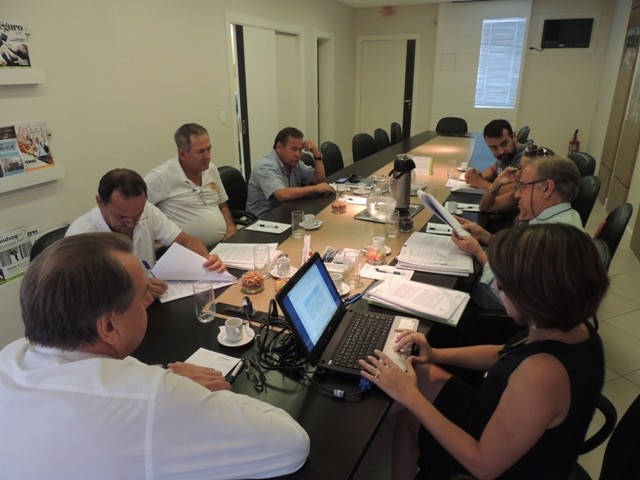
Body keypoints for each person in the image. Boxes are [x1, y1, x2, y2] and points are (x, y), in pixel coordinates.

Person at [0, 233, 310, 480]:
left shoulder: (11, 356)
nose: (150, 299)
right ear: (109, 326)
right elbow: (291, 445)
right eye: (143, 297)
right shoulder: (153, 397)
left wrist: (165, 373)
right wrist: (192, 390)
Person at [360, 224, 608, 480]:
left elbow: (484, 465)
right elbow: (504, 353)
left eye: (505, 284)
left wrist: (411, 396)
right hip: (502, 416)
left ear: (533, 295)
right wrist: (434, 354)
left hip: (498, 462)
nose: (497, 287)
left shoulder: (541, 374)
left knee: (410, 414)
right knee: (417, 372)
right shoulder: (568, 327)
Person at [66, 168, 226, 302]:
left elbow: (186, 241)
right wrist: (136, 291)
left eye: (137, 215)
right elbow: (84, 298)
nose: (130, 224)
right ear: (100, 202)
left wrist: (205, 261)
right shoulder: (82, 235)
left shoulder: (148, 211)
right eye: (121, 217)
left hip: (154, 298)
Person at [452, 154, 582, 310]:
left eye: (523, 186)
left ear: (547, 188)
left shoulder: (551, 237)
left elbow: (510, 291)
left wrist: (478, 252)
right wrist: (485, 236)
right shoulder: (568, 215)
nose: (517, 194)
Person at [145, 123, 236, 247]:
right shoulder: (161, 177)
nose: (208, 156)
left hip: (222, 245)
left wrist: (231, 228)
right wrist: (155, 242)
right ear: (182, 154)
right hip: (187, 251)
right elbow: (138, 213)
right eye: (201, 151)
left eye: (209, 149)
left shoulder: (211, 169)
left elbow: (223, 206)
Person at [246, 127, 335, 217]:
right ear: (279, 147)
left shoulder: (295, 164)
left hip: (286, 212)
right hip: (263, 219)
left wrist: (317, 155)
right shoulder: (265, 165)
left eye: (300, 150)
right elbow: (281, 194)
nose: (298, 154)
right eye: (293, 149)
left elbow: (320, 181)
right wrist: (315, 188)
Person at [477, 144, 554, 214]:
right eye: (519, 167)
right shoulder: (522, 191)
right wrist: (497, 182)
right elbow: (484, 207)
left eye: (525, 171)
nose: (517, 174)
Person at [464, 119, 529, 191]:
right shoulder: (506, 155)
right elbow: (493, 169)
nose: (500, 152)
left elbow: (511, 192)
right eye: (494, 147)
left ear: (514, 136)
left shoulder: (526, 157)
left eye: (504, 144)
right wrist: (477, 177)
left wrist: (479, 182)